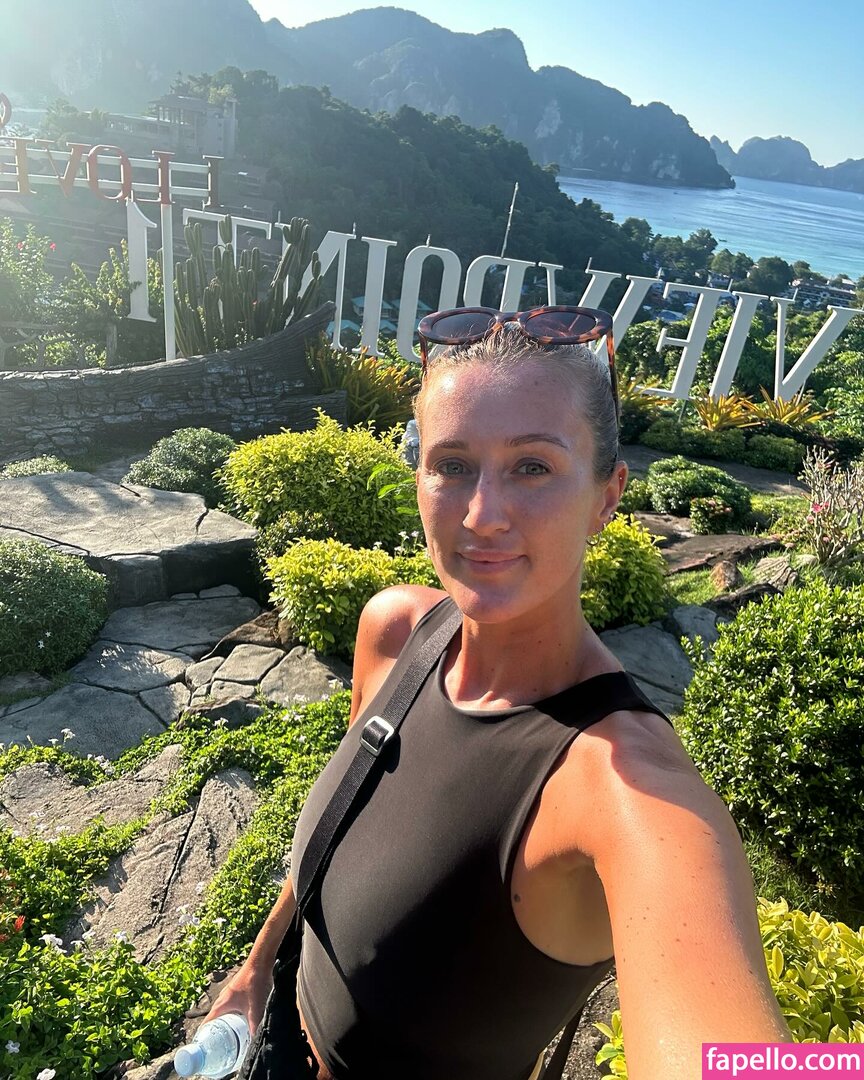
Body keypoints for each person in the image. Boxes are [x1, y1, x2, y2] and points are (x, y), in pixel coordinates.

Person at [204, 307, 792, 1079]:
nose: (482, 516)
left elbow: (727, 1051)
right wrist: (257, 968)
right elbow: (340, 835)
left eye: (533, 467)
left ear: (607, 496)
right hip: (279, 1036)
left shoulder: (628, 789)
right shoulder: (398, 631)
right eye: (452, 465)